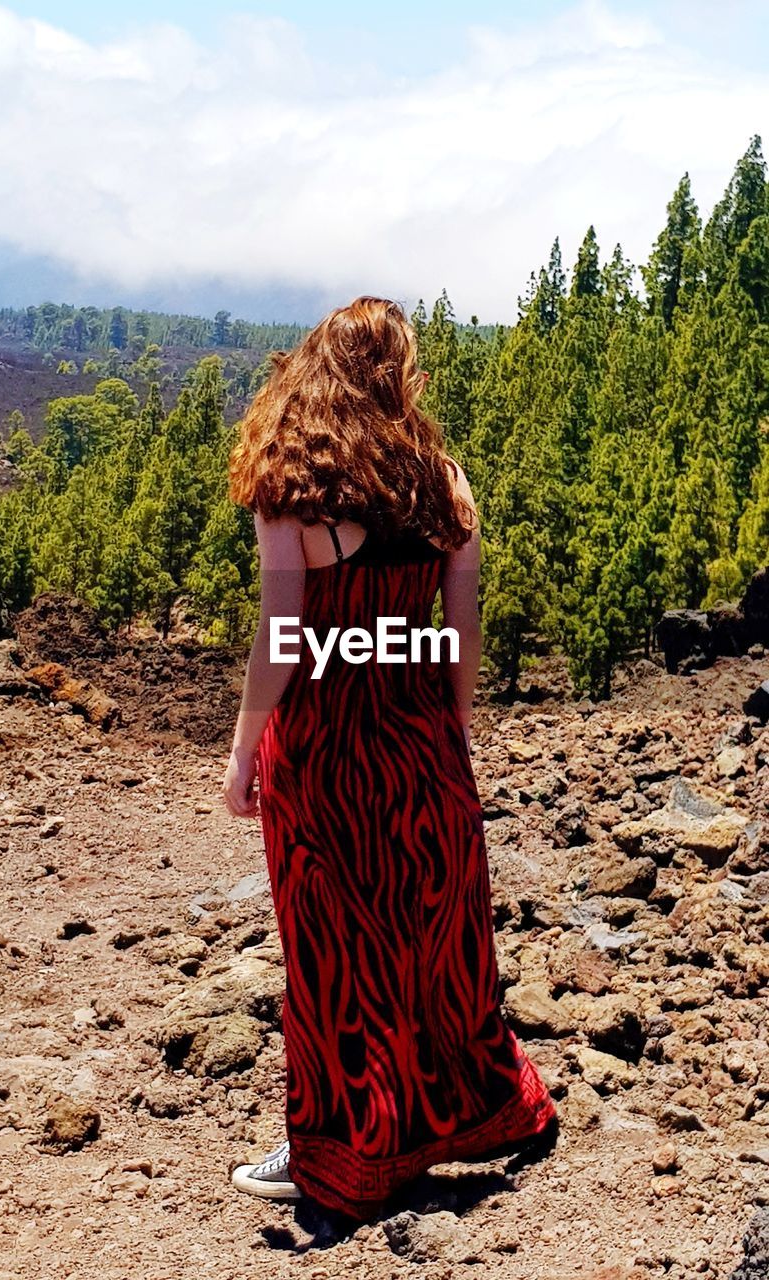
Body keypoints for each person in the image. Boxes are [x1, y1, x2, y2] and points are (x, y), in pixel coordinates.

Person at [221, 296, 558, 1220]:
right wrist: (451, 737)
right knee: (440, 947)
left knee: (335, 955)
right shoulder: (445, 485)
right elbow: (462, 630)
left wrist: (244, 753)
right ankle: (479, 1113)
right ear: (398, 376)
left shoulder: (291, 492)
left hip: (326, 752)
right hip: (418, 743)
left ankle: (339, 1148)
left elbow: (282, 641)